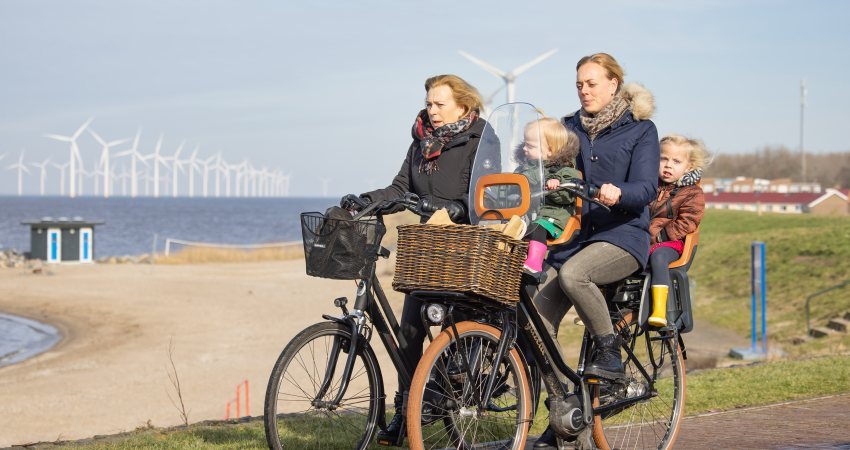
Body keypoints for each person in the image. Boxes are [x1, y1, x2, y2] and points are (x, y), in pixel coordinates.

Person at [340, 74, 485, 444]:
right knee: (408, 334)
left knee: (454, 333)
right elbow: (400, 188)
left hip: (466, 245)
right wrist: (367, 199)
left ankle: (447, 395)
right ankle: (407, 414)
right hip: (427, 250)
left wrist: (453, 207)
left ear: (463, 106)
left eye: (440, 104)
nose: (431, 111)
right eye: (429, 103)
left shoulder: (481, 138)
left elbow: (485, 194)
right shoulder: (421, 142)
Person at [532, 53, 660, 449]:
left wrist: (619, 193)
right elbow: (546, 162)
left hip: (623, 235)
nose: (584, 90)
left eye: (591, 83)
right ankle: (565, 415)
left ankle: (610, 353)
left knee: (574, 275)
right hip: (573, 238)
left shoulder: (640, 130)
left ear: (613, 84)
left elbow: (647, 188)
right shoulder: (569, 127)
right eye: (579, 85)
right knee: (534, 319)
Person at [646, 134, 707, 327]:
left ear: (688, 167)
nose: (668, 165)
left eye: (676, 161)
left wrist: (658, 236)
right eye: (663, 159)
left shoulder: (691, 192)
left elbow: (688, 222)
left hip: (670, 243)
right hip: (642, 239)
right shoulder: (648, 185)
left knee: (659, 257)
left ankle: (659, 309)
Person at [516, 118, 581, 273]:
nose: (525, 148)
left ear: (550, 150)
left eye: (530, 146)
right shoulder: (523, 168)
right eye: (525, 143)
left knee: (537, 227)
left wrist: (557, 186)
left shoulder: (565, 171)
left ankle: (534, 264)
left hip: (553, 217)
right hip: (530, 214)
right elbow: (516, 184)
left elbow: (568, 196)